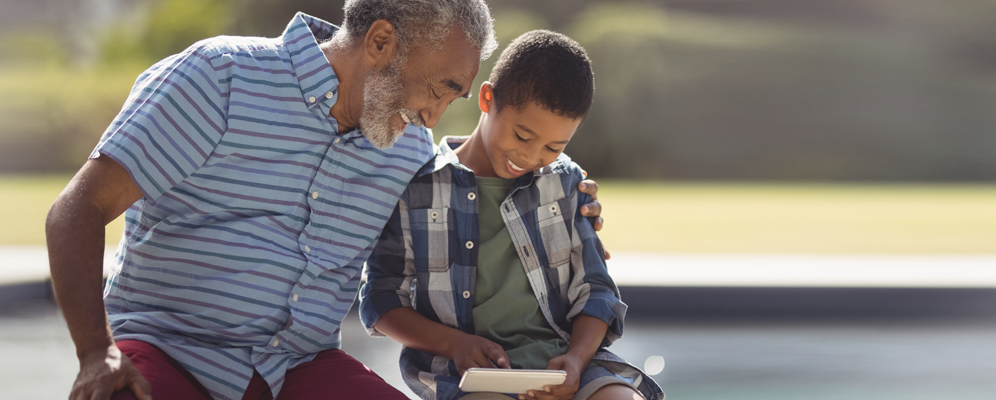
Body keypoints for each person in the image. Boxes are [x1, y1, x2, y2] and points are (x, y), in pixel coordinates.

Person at [44, 1, 609, 399]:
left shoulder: (405, 147)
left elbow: (470, 192)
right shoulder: (220, 77)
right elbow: (79, 207)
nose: (435, 118)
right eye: (439, 89)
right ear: (381, 41)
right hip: (170, 351)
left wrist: (566, 191)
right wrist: (96, 351)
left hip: (297, 368)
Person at [360, 30, 662, 400]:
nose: (532, 157)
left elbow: (597, 291)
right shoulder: (417, 189)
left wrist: (577, 359)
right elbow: (380, 299)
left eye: (554, 146)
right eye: (522, 136)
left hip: (568, 364)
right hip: (469, 376)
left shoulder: (567, 183)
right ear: (487, 99)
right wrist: (454, 344)